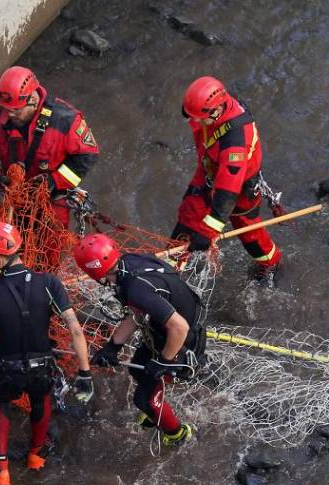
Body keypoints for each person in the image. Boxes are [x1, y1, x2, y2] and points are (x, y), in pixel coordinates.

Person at [0, 221, 93, 485]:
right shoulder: (49, 283)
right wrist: (85, 373)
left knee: (1, 403)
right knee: (41, 400)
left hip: (7, 367)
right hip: (41, 366)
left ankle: (1, 468)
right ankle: (36, 455)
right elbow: (75, 329)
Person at [73, 234, 201, 447]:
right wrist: (113, 346)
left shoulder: (135, 288)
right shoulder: (129, 263)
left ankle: (178, 435)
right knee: (137, 370)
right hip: (163, 330)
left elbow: (180, 327)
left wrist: (164, 361)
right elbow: (137, 313)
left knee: (144, 400)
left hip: (179, 339)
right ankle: (157, 414)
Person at [174, 76, 281, 276]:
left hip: (240, 186)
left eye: (198, 117)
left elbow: (228, 190)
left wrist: (208, 231)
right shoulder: (214, 105)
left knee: (247, 230)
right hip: (210, 168)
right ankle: (171, 265)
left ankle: (271, 265)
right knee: (189, 212)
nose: (193, 122)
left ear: (216, 111)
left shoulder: (236, 143)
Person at [0, 66, 99, 226]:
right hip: (13, 194)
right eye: (6, 109)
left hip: (51, 201)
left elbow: (87, 155)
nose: (9, 115)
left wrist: (54, 182)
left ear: (32, 100)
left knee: (50, 244)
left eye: (15, 111)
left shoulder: (65, 120)